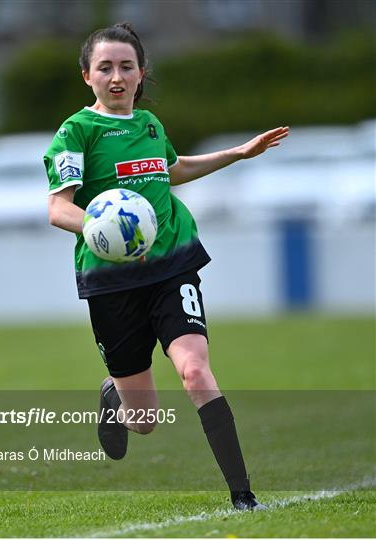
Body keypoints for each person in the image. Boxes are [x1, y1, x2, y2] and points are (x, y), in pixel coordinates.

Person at [44, 22, 289, 511]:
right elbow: (58, 208)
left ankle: (244, 496)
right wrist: (98, 223)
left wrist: (238, 154)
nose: (117, 76)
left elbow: (172, 168)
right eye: (105, 67)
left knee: (196, 372)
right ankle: (115, 394)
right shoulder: (77, 131)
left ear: (141, 73)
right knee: (145, 420)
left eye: (126, 67)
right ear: (87, 76)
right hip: (111, 282)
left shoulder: (151, 126)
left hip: (172, 266)